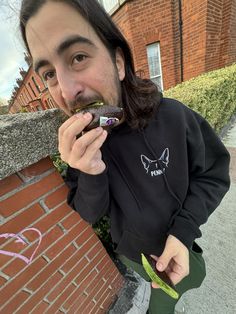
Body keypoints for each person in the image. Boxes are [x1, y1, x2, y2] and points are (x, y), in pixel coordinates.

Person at [19, 1, 230, 313]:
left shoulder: (173, 118)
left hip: (180, 238)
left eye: (78, 57)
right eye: (49, 73)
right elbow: (91, 213)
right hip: (132, 251)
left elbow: (213, 174)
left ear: (118, 63)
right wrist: (89, 170)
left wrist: (183, 233)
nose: (66, 90)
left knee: (172, 295)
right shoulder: (82, 148)